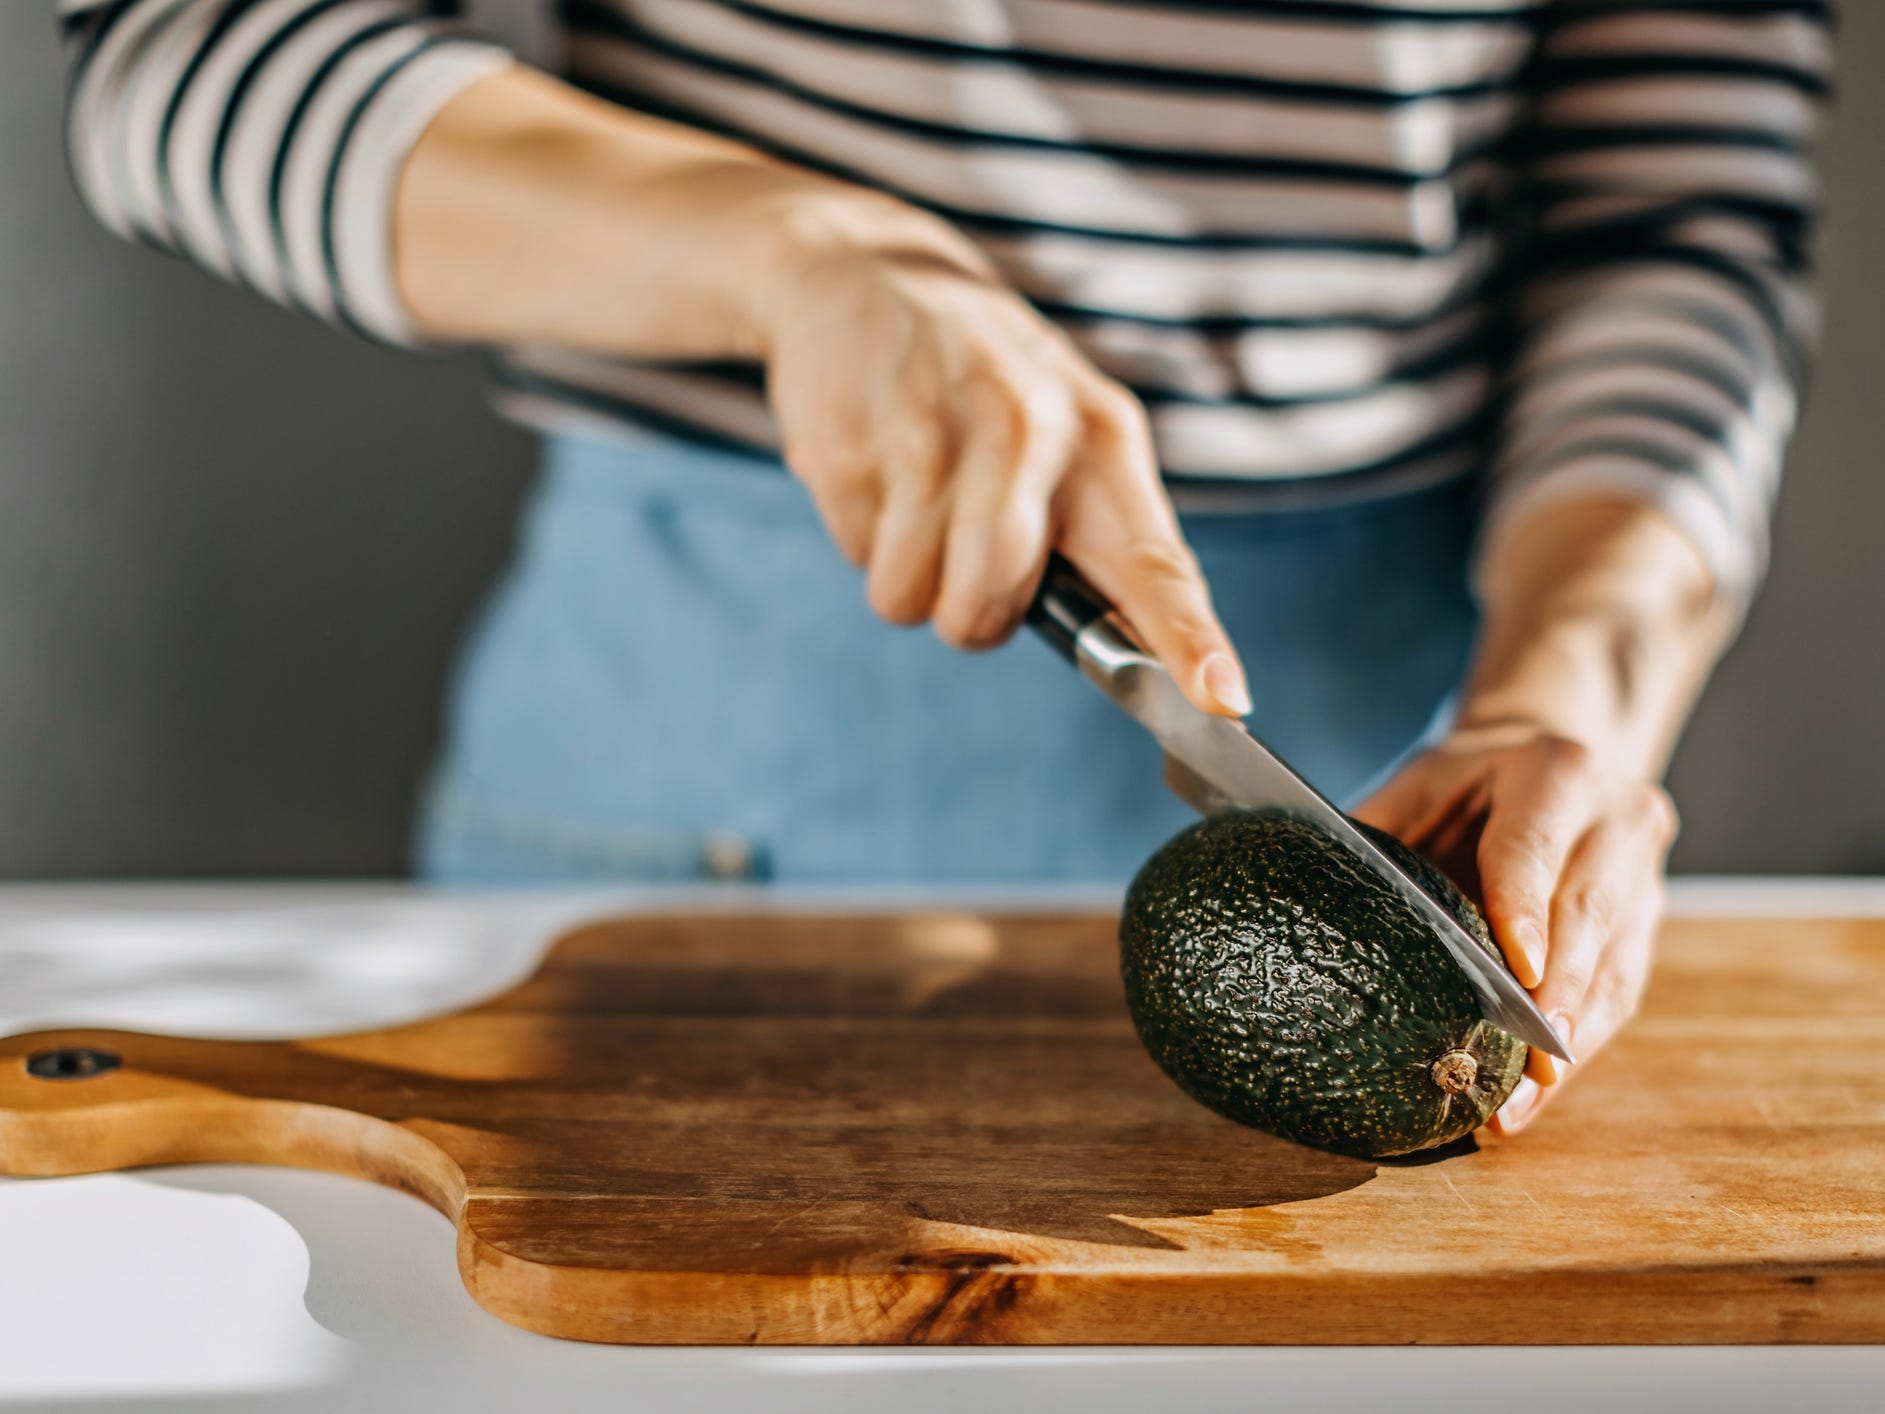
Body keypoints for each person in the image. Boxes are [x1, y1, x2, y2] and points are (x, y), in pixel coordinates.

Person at [59, 0, 1828, 1135]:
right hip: (713, 724)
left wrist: (1570, 686)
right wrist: (791, 254)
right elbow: (185, 50)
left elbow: (1672, 236)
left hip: (1400, 738)